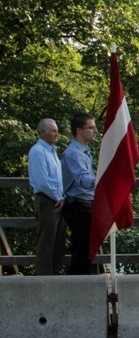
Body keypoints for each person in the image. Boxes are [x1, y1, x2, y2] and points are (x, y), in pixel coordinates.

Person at [27, 118, 67, 275]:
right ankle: (43, 281)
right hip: (47, 200)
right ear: (42, 132)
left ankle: (54, 277)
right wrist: (59, 197)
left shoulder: (52, 151)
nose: (56, 134)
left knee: (58, 244)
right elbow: (42, 181)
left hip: (57, 200)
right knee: (46, 244)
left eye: (56, 130)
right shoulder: (38, 151)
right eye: (53, 131)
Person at [61, 113, 98, 275]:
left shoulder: (84, 151)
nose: (95, 131)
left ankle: (82, 286)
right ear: (79, 130)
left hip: (85, 205)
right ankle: (76, 288)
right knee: (81, 252)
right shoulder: (74, 153)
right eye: (91, 127)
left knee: (86, 252)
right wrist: (104, 181)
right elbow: (82, 180)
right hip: (78, 206)